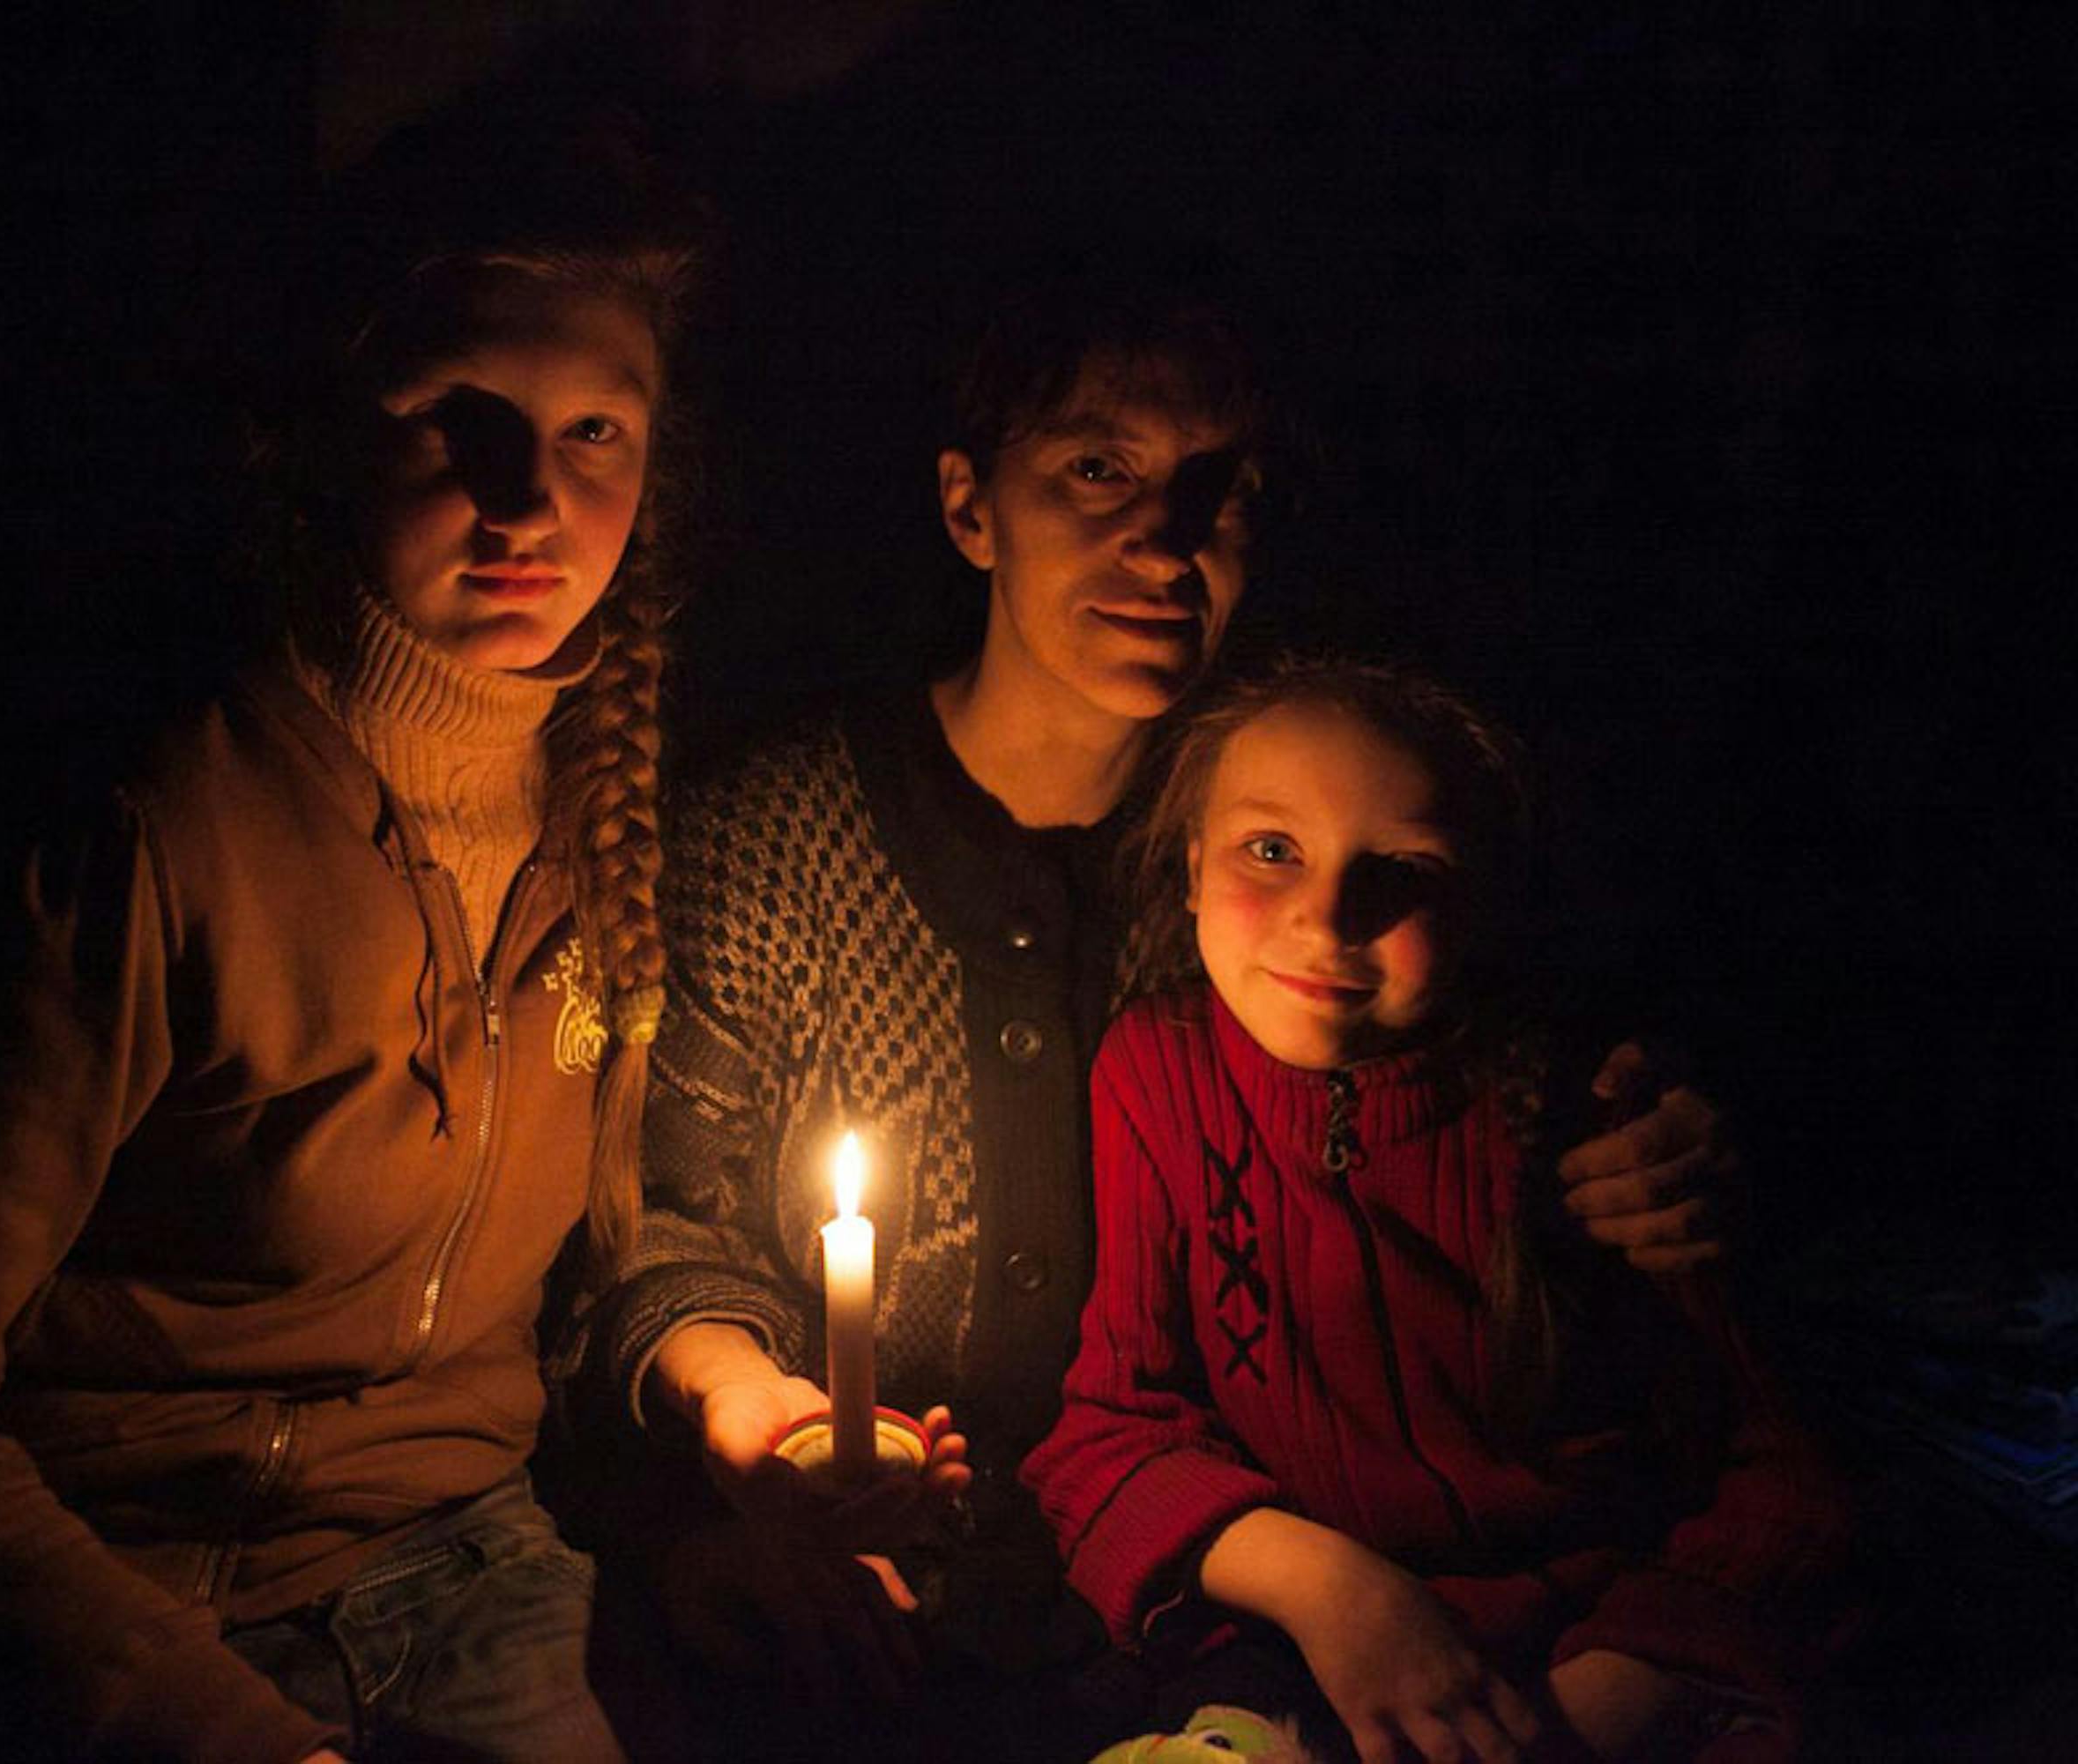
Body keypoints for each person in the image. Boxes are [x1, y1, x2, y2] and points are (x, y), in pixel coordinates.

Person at [566, 258, 1741, 1757]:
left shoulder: (1275, 865)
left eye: (1218, 489)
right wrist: (766, 1443)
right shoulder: (776, 837)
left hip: (1201, 1627)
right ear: (969, 507)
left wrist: (1651, 1146)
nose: (1164, 541)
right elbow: (663, 1230)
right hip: (868, 1584)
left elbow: (1492, 1062)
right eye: (1097, 472)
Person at [0, 108, 702, 1763]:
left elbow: (548, 1314)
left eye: (598, 432)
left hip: (470, 1573)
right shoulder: (165, 825)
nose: (532, 500)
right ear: (329, 439)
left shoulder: (611, 809)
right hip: (135, 1595)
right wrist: (201, 1718)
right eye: (464, 419)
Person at [1024, 659, 1847, 1764]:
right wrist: (1334, 1593)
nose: (1325, 919)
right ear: (1188, 866)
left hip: (1597, 1651)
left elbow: (1789, 1470)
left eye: (1401, 869)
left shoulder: (1590, 1109)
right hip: (1289, 1648)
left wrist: (1619, 1691)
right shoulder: (1160, 1074)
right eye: (1272, 850)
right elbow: (1112, 1430)